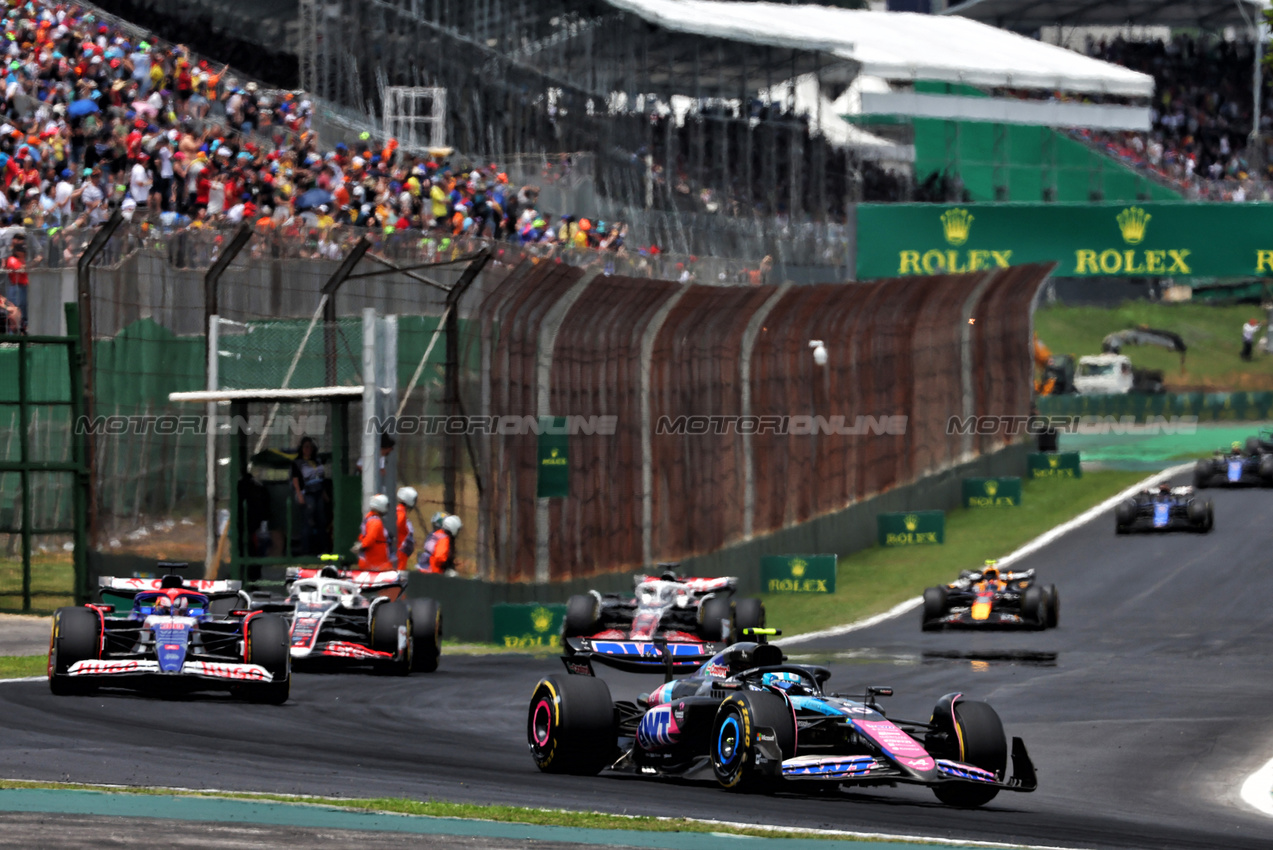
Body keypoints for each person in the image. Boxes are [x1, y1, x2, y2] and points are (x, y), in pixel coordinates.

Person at [290, 436, 327, 555]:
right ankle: (306, 551)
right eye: (306, 447)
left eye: (310, 447)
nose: (308, 449)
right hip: (307, 494)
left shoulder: (317, 461)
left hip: (319, 493)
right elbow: (295, 480)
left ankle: (323, 549)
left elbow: (321, 478)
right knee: (308, 521)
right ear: (301, 448)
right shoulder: (298, 462)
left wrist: (324, 494)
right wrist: (299, 494)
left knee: (321, 520)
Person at [355, 493, 393, 571]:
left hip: (374, 561)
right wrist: (361, 545)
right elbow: (370, 538)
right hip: (375, 563)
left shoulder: (371, 518)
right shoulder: (375, 521)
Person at [5, 243, 27, 334]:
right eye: (22, 251)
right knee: (14, 312)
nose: (24, 253)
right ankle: (12, 336)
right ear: (17, 252)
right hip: (16, 287)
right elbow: (20, 270)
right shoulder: (12, 259)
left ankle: (21, 333)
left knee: (22, 311)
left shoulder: (21, 260)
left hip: (23, 286)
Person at [395, 486, 418, 571]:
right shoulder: (401, 513)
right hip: (400, 551)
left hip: (399, 550)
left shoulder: (399, 510)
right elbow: (396, 526)